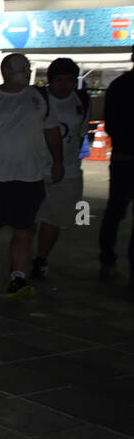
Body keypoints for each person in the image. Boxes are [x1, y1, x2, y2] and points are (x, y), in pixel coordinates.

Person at [0, 52, 63, 298]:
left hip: (29, 178)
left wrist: (58, 162)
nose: (26, 73)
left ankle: (18, 277)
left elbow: (52, 132)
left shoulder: (41, 98)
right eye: (21, 69)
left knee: (24, 230)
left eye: (28, 69)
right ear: (5, 71)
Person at [32, 58, 90, 279]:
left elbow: (80, 134)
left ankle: (41, 258)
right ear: (49, 81)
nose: (64, 86)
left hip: (67, 171)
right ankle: (24, 260)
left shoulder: (81, 101)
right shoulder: (37, 99)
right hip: (35, 168)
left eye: (69, 81)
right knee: (30, 219)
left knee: (54, 220)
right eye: (59, 81)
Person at [98, 46, 134, 292]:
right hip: (125, 155)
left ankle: (107, 261)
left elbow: (109, 123)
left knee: (114, 211)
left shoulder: (119, 85)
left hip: (122, 157)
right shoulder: (121, 86)